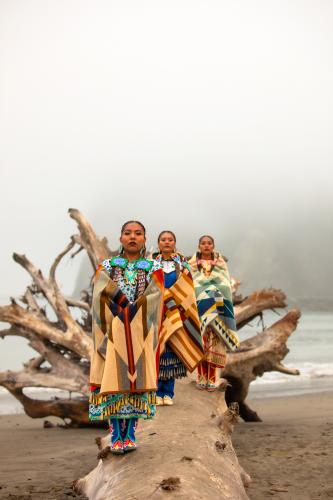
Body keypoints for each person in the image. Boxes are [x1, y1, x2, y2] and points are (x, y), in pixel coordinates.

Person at [89, 221, 164, 454]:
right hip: (113, 329)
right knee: (112, 377)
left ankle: (130, 433)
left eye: (138, 233)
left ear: (144, 239)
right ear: (120, 238)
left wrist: (134, 314)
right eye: (128, 233)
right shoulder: (108, 266)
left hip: (140, 329)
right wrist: (121, 312)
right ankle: (115, 434)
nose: (133, 237)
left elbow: (156, 296)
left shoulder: (153, 267)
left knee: (136, 379)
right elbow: (99, 294)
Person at [154, 231, 203, 406]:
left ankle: (168, 393)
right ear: (158, 243)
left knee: (174, 351)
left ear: (175, 242)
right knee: (158, 351)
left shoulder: (182, 265)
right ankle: (156, 392)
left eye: (170, 240)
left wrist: (173, 298)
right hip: (158, 313)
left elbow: (188, 288)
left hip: (177, 312)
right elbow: (147, 288)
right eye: (163, 240)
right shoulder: (151, 264)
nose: (167, 242)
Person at [189, 235, 239, 391]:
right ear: (199, 246)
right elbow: (191, 284)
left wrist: (213, 292)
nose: (206, 246)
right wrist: (204, 292)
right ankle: (201, 377)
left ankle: (212, 378)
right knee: (200, 342)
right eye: (203, 243)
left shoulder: (221, 263)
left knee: (215, 344)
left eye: (209, 243)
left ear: (213, 245)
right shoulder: (192, 264)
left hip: (217, 309)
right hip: (199, 309)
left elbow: (225, 284)